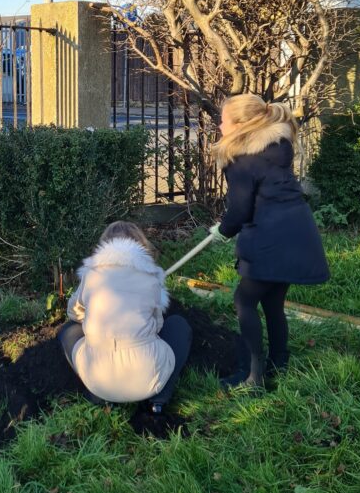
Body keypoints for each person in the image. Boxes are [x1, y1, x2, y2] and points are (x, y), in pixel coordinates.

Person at [212, 93, 329, 389]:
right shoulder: (276, 146)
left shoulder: (241, 159)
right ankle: (279, 361)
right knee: (273, 302)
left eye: (223, 120)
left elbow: (241, 208)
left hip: (269, 238)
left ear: (241, 124)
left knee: (244, 300)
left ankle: (253, 376)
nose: (220, 126)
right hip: (297, 231)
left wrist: (223, 231)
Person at [56, 221, 193, 412]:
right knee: (178, 325)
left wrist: (95, 321)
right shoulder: (151, 275)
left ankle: (99, 396)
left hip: (99, 379)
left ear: (105, 245)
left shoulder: (91, 274)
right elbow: (158, 323)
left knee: (68, 331)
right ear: (141, 244)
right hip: (148, 376)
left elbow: (73, 312)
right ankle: (159, 400)